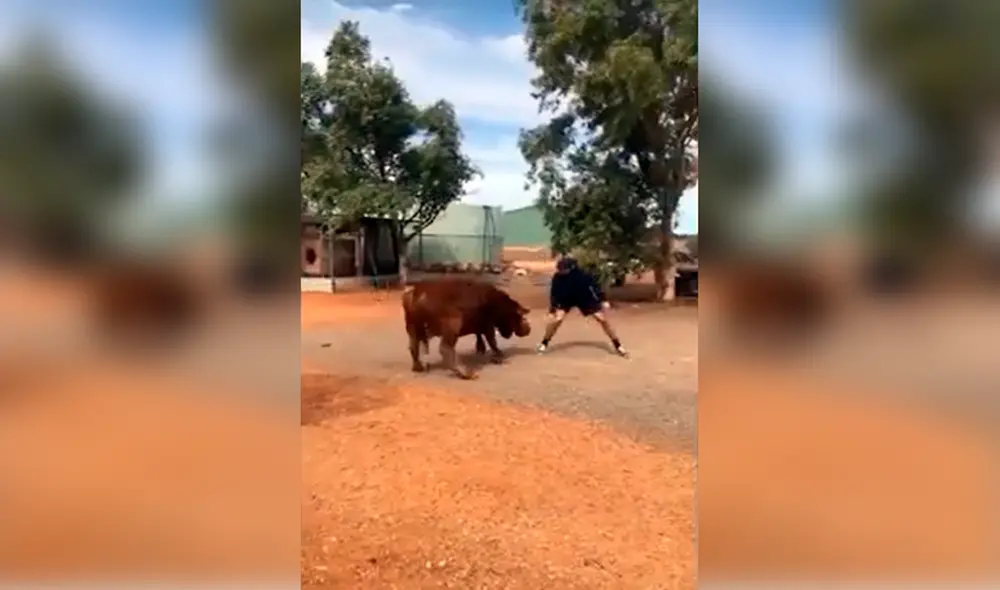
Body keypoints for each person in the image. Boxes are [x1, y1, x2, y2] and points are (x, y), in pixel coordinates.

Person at [536, 256, 628, 357]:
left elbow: (595, 287)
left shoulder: (584, 276)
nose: (560, 271)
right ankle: (544, 343)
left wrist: (603, 300)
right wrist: (552, 309)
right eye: (559, 268)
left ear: (571, 268)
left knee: (602, 319)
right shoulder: (557, 277)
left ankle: (618, 345)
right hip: (566, 299)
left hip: (584, 298)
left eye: (562, 269)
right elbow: (554, 293)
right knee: (557, 320)